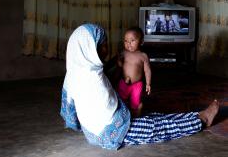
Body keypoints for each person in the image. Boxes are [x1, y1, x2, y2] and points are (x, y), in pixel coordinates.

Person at [60, 23, 219, 150]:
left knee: (153, 116)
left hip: (93, 133)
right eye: (102, 45)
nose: (106, 49)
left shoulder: (76, 72)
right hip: (112, 134)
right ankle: (202, 120)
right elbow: (112, 111)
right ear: (89, 49)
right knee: (156, 127)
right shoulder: (92, 79)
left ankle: (196, 115)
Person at [116, 27, 151, 117]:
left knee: (135, 102)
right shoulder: (124, 53)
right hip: (124, 83)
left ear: (141, 42)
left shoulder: (143, 56)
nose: (128, 44)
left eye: (132, 40)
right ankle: (123, 114)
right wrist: (119, 61)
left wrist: (148, 84)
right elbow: (120, 65)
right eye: (126, 41)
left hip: (136, 85)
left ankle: (137, 111)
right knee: (121, 100)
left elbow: (147, 70)